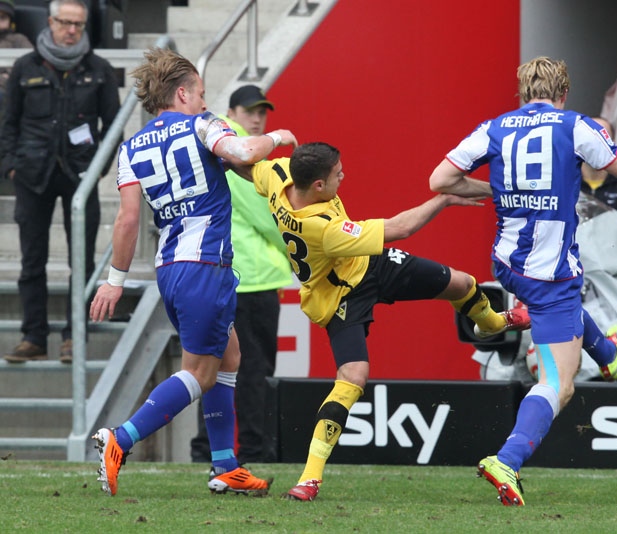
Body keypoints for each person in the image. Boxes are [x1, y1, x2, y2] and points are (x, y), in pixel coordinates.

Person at [429, 56, 617, 505]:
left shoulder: (494, 128)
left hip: (508, 264)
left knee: (573, 293)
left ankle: (606, 351)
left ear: (522, 93)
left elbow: (440, 180)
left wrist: (495, 191)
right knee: (560, 384)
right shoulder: (576, 126)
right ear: (563, 93)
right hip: (549, 275)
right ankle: (507, 459)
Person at [236, 141, 529, 502]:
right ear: (318, 185)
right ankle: (309, 478)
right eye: (337, 173)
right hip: (341, 295)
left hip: (368, 265)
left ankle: (493, 324)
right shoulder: (322, 228)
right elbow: (400, 228)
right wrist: (443, 200)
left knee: (463, 284)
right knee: (353, 377)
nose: (343, 176)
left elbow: (246, 165)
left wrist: (218, 150)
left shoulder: (279, 174)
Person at [88, 47, 297, 497]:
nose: (205, 101)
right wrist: (279, 136)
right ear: (182, 94)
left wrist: (114, 281)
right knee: (200, 373)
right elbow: (243, 149)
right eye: (201, 93)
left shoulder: (130, 148)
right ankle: (120, 438)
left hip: (170, 268)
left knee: (229, 356)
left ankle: (225, 466)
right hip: (206, 265)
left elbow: (127, 220)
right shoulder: (203, 124)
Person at [1, 0, 119, 364]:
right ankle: (33, 337)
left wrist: (99, 168)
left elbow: (114, 126)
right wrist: (11, 167)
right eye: (65, 23)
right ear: (50, 22)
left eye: (78, 24)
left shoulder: (99, 69)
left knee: (81, 262)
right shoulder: (25, 67)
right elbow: (8, 123)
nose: (71, 30)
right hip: (31, 176)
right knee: (32, 261)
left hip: (80, 177)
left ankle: (74, 336)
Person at [190, 85, 292, 464]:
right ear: (231, 112)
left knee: (211, 368)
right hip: (251, 280)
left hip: (222, 277)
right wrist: (303, 248)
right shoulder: (235, 149)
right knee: (253, 371)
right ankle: (252, 449)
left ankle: (206, 449)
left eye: (262, 112)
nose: (257, 118)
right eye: (250, 111)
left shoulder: (215, 143)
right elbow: (268, 217)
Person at [580, 117, 617, 222]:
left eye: (602, 137)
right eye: (589, 137)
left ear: (612, 144)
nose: (594, 144)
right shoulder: (564, 185)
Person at [0, 0, 33, 114]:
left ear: (10, 21)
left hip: (9, 90)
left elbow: (31, 63)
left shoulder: (18, 40)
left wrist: (8, 76)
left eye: (3, 17)